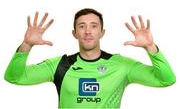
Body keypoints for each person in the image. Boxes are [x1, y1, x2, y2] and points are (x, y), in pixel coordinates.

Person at [4, 8, 176, 108]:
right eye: (82, 26)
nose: (88, 31)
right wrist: (26, 45)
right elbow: (14, 77)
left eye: (94, 26)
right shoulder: (59, 65)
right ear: (74, 33)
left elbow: (166, 80)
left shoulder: (122, 65)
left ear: (102, 32)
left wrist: (150, 47)